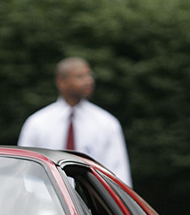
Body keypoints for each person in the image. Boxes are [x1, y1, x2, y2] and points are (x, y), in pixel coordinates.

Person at [18, 57, 132, 186]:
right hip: (46, 201)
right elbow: (25, 168)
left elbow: (118, 170)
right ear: (61, 82)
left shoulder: (106, 123)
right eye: (80, 76)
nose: (88, 81)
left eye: (89, 75)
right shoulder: (37, 123)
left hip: (92, 202)